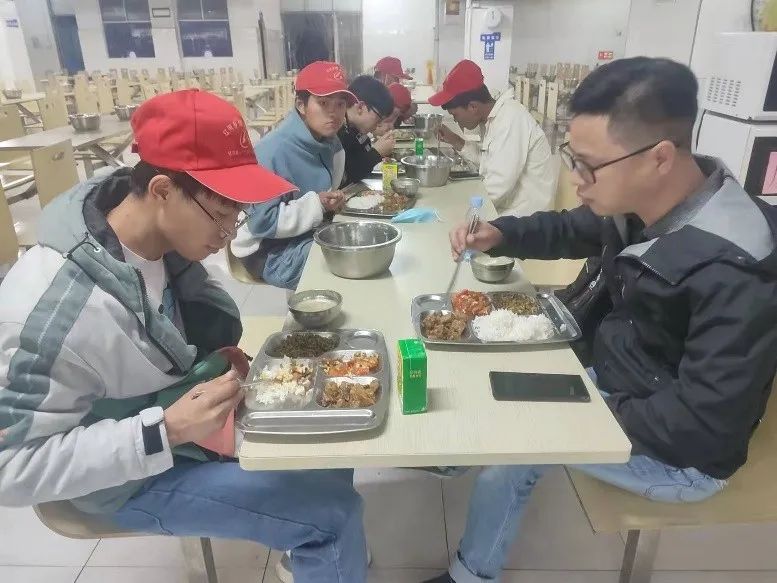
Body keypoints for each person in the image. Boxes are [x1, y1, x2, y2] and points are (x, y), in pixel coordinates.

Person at [427, 57, 777, 583]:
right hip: (623, 381)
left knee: (516, 441)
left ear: (659, 157)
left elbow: (704, 426)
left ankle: (470, 575)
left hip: (681, 455)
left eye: (588, 166)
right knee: (499, 383)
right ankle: (466, 456)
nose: (575, 180)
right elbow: (572, 228)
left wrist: (587, 411)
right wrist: (502, 233)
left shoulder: (735, 270)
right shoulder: (650, 197)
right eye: (574, 158)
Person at [0, 89, 368, 583]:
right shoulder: (55, 312)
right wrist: (164, 430)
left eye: (239, 212)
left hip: (175, 417)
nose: (231, 232)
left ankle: (312, 555)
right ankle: (320, 544)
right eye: (222, 212)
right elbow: (11, 467)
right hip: (125, 478)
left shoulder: (153, 236)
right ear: (161, 190)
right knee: (334, 517)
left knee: (334, 441)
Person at [231, 61, 353, 289]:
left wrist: (326, 204)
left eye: (340, 104)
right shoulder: (272, 152)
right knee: (346, 265)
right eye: (323, 102)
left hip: (304, 234)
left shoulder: (331, 143)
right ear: (301, 105)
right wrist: (317, 204)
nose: (334, 112)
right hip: (266, 250)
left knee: (355, 243)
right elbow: (261, 223)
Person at [432, 59, 555, 217]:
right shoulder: (494, 119)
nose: (456, 121)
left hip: (523, 220)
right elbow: (490, 162)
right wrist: (456, 141)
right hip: (505, 211)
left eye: (455, 115)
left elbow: (498, 186)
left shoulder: (510, 118)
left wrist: (458, 209)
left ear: (473, 107)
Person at [338, 75, 396, 186]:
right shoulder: (339, 131)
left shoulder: (356, 129)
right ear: (360, 107)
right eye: (378, 119)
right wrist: (377, 152)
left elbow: (362, 159)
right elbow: (349, 175)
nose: (378, 125)